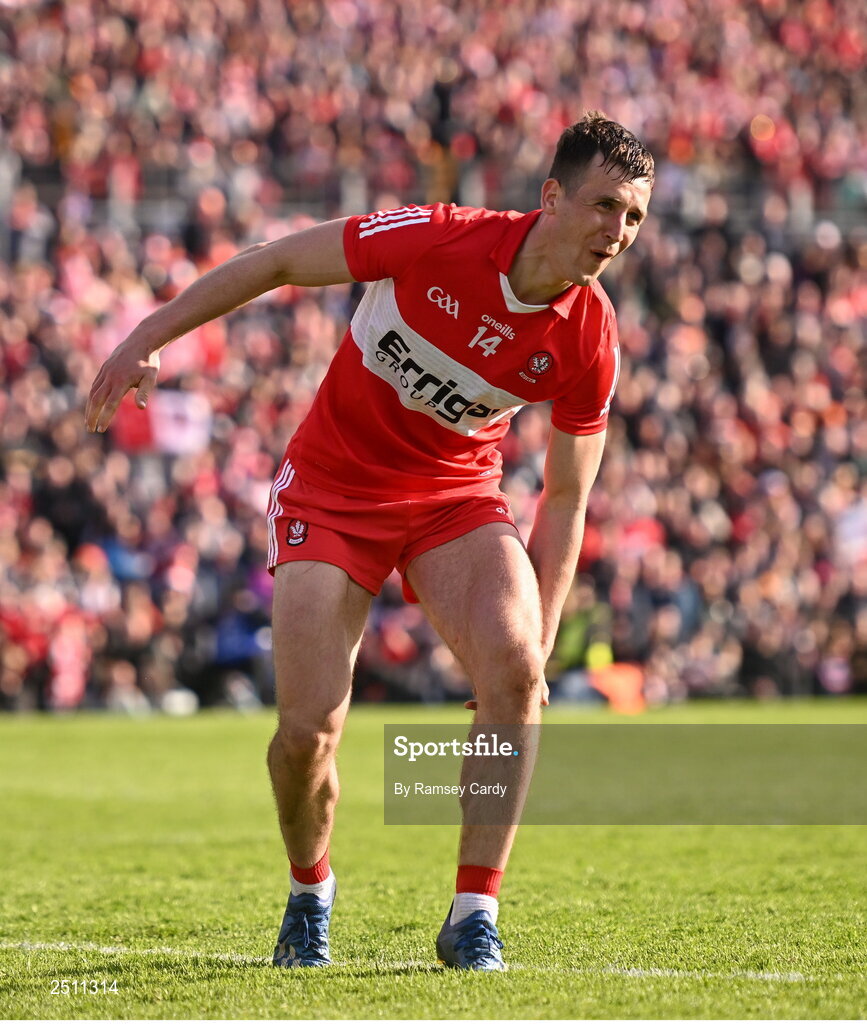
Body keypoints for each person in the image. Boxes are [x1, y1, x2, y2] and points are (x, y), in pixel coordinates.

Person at [86, 111, 654, 971]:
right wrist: (145, 337)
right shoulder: (436, 237)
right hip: (332, 490)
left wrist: (534, 645)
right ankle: (310, 890)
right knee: (307, 735)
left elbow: (567, 493)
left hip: (453, 501)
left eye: (634, 218)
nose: (617, 233)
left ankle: (473, 915)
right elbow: (275, 261)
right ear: (550, 197)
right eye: (606, 207)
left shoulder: (590, 335)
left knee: (514, 675)